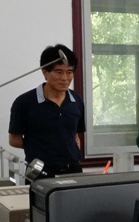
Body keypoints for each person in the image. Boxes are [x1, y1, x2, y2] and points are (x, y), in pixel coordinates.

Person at [8, 44, 85, 177]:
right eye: (59, 72)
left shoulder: (76, 100)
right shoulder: (24, 102)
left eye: (69, 72)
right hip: (40, 171)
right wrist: (41, 146)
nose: (65, 78)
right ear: (45, 72)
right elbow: (14, 140)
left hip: (73, 170)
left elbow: (75, 135)